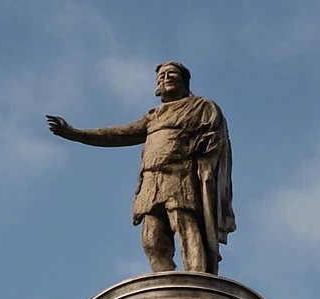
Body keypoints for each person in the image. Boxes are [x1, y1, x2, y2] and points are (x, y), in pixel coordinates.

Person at [46, 61, 234, 274]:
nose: (166, 78)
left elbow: (215, 137)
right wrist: (75, 133)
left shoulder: (200, 107)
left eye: (171, 74)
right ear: (157, 88)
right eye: (161, 76)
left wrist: (205, 157)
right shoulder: (154, 117)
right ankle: (165, 283)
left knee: (185, 227)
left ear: (184, 81)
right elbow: (118, 134)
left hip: (180, 178)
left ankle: (197, 277)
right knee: (151, 239)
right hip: (151, 182)